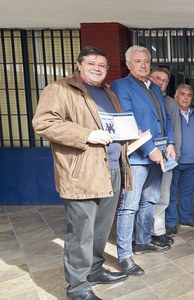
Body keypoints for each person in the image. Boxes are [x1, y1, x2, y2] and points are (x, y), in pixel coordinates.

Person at [32, 46, 130, 300]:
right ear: (79, 64)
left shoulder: (106, 92)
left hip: (111, 169)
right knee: (81, 231)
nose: (98, 68)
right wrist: (86, 135)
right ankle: (77, 288)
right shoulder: (61, 89)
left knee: (101, 228)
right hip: (82, 172)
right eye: (92, 63)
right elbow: (43, 123)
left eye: (102, 64)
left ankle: (95, 269)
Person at [111, 45, 175, 276]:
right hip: (138, 157)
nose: (143, 65)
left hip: (159, 154)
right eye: (138, 61)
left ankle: (143, 240)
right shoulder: (121, 86)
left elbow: (165, 118)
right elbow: (127, 119)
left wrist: (170, 144)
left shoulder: (154, 88)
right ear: (128, 64)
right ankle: (125, 255)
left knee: (150, 200)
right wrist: (150, 150)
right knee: (129, 206)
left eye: (146, 61)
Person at [165, 84, 194, 238]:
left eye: (189, 95)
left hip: (192, 160)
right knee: (171, 192)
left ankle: (186, 219)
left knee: (188, 192)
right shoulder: (171, 113)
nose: (186, 97)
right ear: (175, 96)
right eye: (182, 94)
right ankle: (171, 223)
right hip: (175, 160)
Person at [147, 67, 178, 244]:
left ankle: (158, 232)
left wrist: (172, 149)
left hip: (166, 154)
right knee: (146, 198)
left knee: (163, 196)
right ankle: (143, 234)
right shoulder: (141, 97)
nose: (160, 82)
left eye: (164, 80)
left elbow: (172, 128)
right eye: (157, 78)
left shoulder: (169, 102)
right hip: (145, 154)